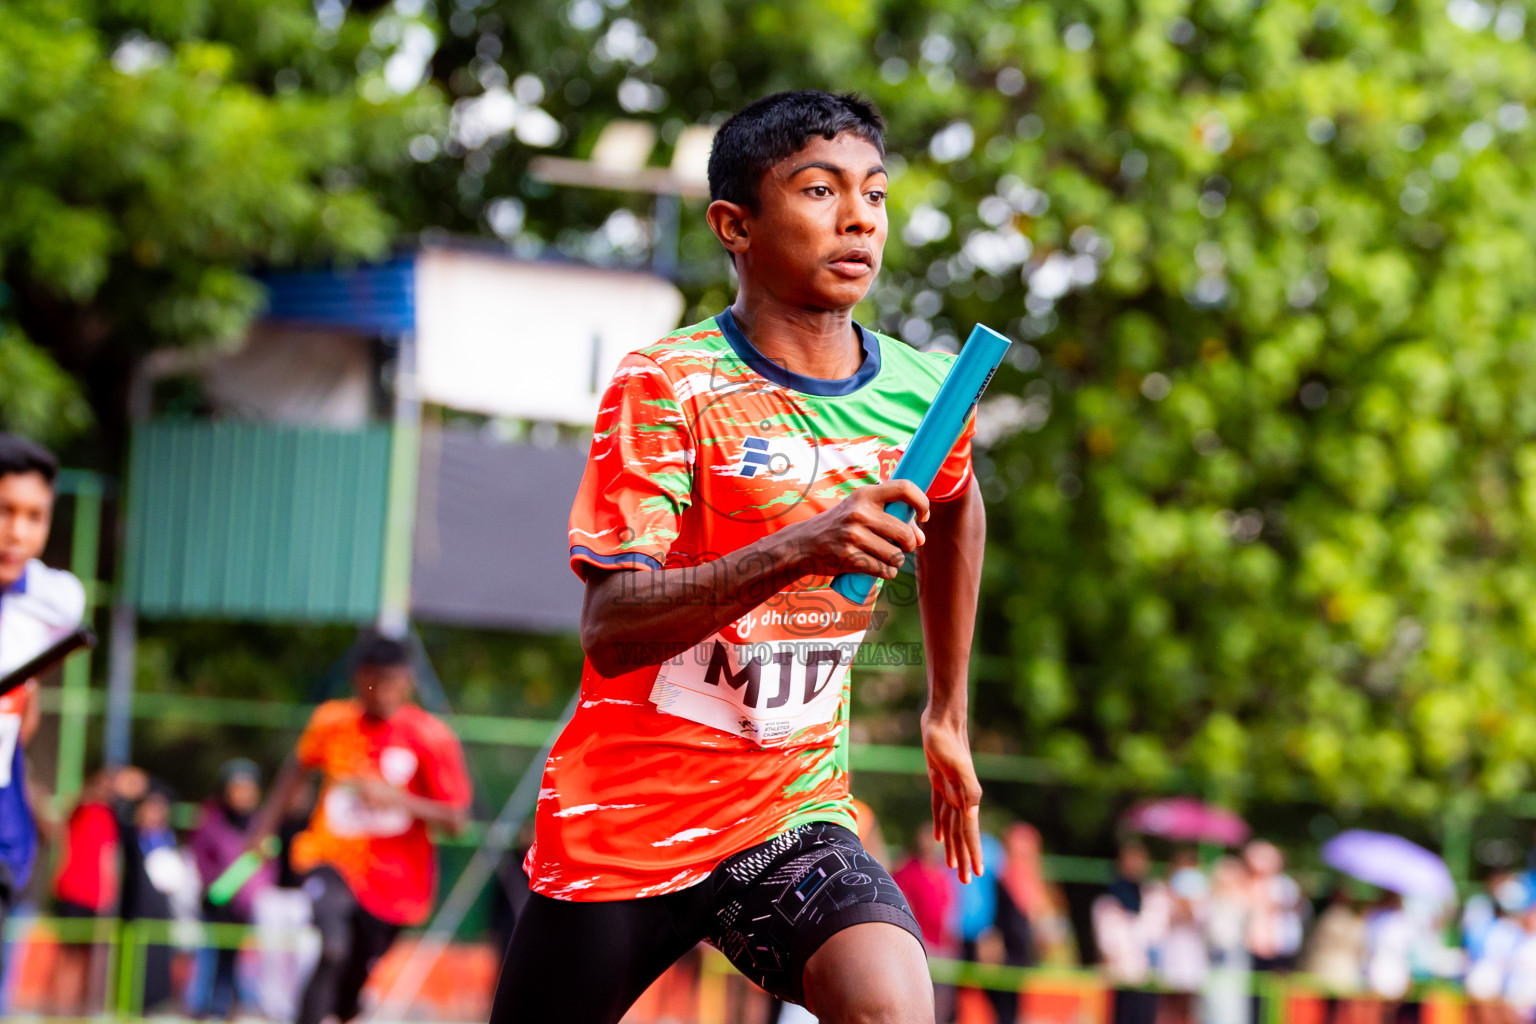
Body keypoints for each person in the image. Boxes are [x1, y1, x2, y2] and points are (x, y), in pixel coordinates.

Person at [491, 89, 988, 1024]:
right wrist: (804, 544)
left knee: (891, 1007)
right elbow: (612, 628)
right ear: (735, 224)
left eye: (874, 195)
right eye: (817, 190)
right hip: (624, 827)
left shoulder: (926, 392)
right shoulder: (667, 385)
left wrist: (946, 710)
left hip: (788, 814)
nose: (857, 219)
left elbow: (958, 504)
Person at [248, 632, 471, 1024]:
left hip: (395, 886)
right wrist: (263, 828)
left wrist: (397, 800)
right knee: (332, 947)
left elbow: (456, 820)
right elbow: (295, 771)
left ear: (407, 680)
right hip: (330, 858)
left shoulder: (429, 737)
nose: (380, 692)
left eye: (390, 681)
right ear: (357, 679)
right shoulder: (332, 722)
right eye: (371, 681)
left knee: (350, 988)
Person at [0, 434, 86, 980]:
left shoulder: (57, 602)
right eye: (5, 511)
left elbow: (25, 700)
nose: (18, 532)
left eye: (35, 516)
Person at [189, 759, 274, 1018]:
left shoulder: (261, 824)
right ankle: (205, 1007)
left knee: (243, 962)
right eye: (238, 788)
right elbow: (202, 860)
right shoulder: (211, 821)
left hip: (249, 905)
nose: (244, 795)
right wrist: (215, 888)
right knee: (210, 959)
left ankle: (237, 1006)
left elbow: (270, 865)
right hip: (216, 902)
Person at [50, 769, 119, 1016]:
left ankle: (82, 1010)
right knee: (67, 956)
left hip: (95, 896)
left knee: (90, 957)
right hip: (71, 891)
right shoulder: (79, 811)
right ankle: (61, 1010)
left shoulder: (107, 817)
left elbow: (107, 858)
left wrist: (109, 893)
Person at [893, 830, 961, 1023]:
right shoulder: (907, 871)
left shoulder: (943, 872)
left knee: (943, 999)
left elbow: (951, 905)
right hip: (921, 943)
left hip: (944, 944)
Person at [1093, 842, 1156, 1024]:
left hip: (1145, 976)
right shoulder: (1109, 899)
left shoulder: (1150, 895)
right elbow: (1108, 940)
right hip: (1119, 976)